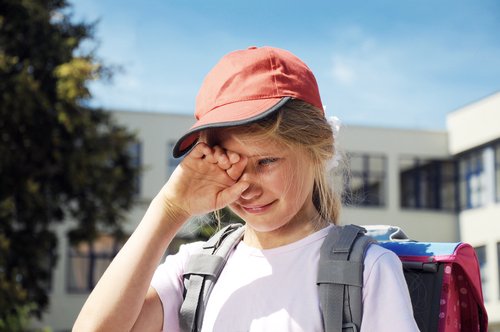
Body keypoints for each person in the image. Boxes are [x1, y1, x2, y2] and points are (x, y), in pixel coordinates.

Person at [73, 46, 419, 332]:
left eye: (266, 162)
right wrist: (170, 209)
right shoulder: (194, 272)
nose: (247, 186)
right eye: (230, 163)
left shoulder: (367, 271)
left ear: (319, 150)